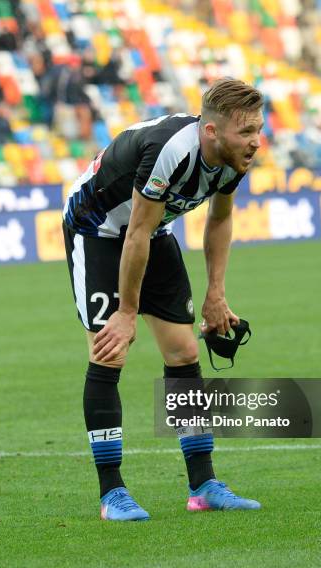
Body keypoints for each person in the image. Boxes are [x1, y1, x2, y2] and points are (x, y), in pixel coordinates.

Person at [62, 77, 264, 521]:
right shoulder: (170, 150)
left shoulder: (236, 157)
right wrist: (126, 314)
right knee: (111, 349)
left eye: (258, 130)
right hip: (97, 229)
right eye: (246, 132)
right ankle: (111, 492)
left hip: (150, 231)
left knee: (184, 350)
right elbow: (132, 231)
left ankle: (203, 484)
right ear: (211, 131)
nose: (255, 141)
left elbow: (219, 221)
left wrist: (216, 295)